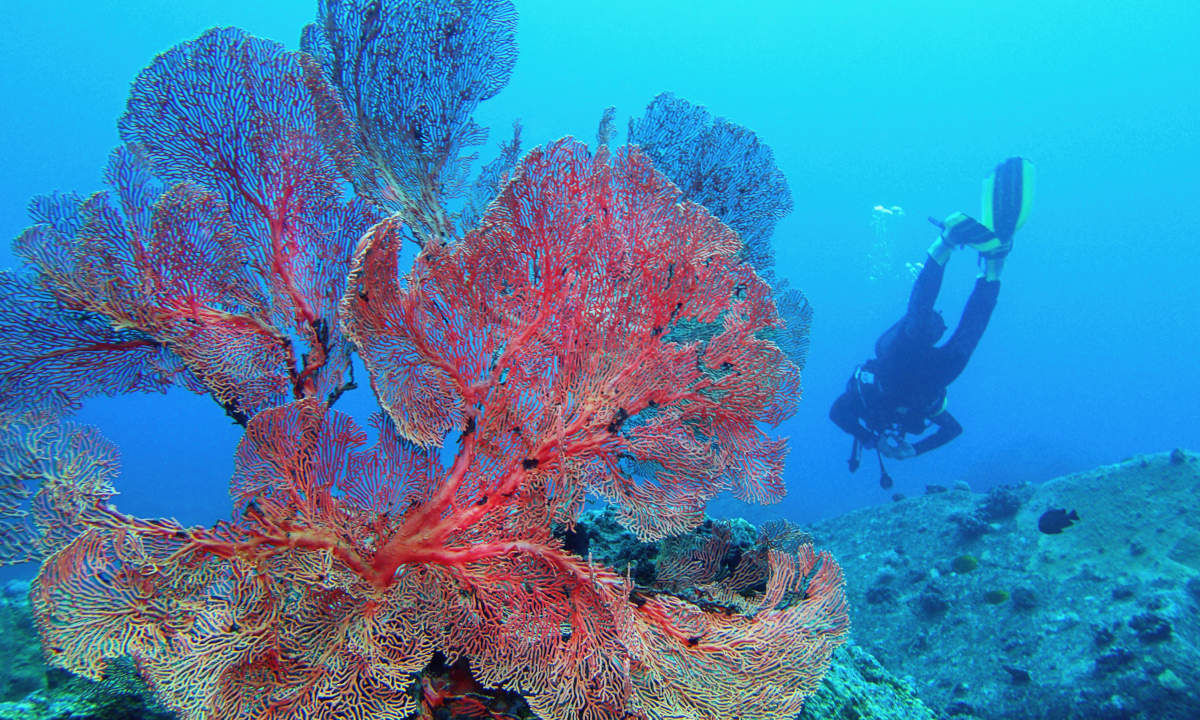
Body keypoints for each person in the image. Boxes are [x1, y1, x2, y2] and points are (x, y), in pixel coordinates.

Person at [830, 158, 1035, 487]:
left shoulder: (863, 402)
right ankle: (991, 269)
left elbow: (837, 413)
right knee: (969, 333)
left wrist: (870, 439)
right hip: (931, 378)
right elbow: (953, 429)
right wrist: (915, 450)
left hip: (897, 364)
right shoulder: (919, 411)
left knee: (918, 320)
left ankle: (946, 243)